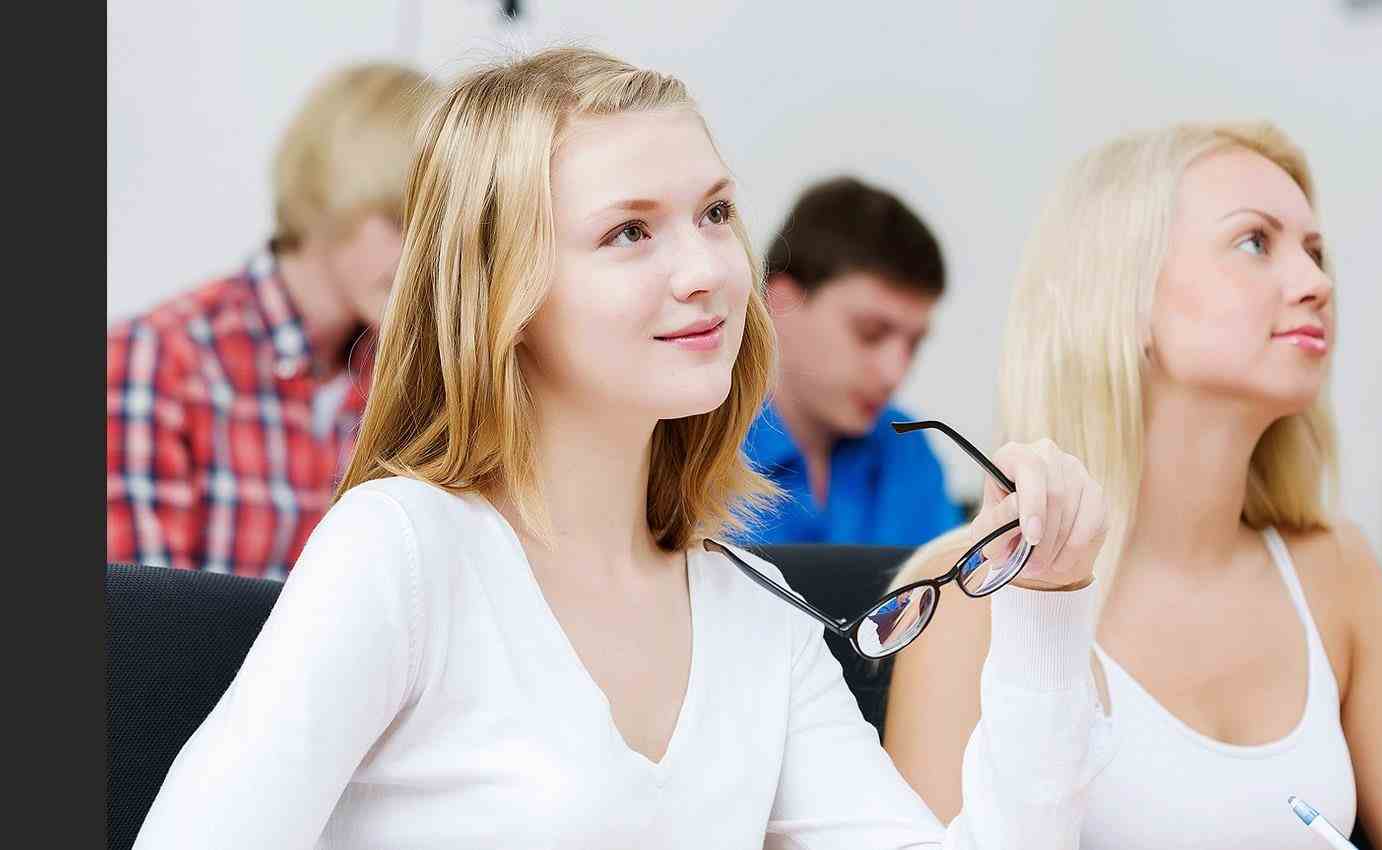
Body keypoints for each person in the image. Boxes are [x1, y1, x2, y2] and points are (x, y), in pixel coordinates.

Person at [133, 47, 1111, 849]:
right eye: (630, 232)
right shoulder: (404, 551)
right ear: (504, 295)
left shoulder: (755, 612)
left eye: (715, 213)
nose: (707, 270)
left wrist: (1047, 608)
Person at [882, 121, 1382, 849]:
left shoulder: (1337, 571)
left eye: (1315, 252)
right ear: (1125, 296)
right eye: (1255, 242)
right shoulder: (968, 601)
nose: (1317, 283)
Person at [107, 61, 435, 576]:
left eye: (437, 232)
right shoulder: (157, 360)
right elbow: (143, 613)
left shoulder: (414, 379)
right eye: (401, 222)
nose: (424, 261)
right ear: (330, 202)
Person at [743, 176, 960, 546]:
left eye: (914, 344)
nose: (895, 373)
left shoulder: (908, 452)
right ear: (781, 303)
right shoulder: (697, 454)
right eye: (870, 333)